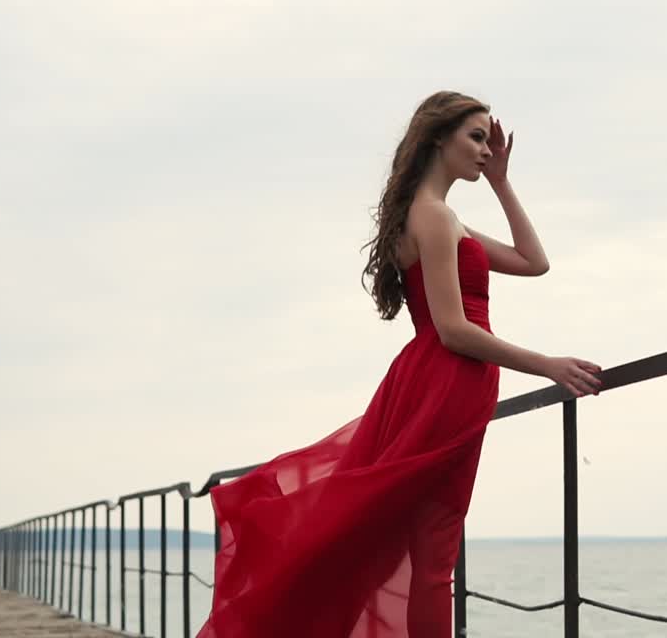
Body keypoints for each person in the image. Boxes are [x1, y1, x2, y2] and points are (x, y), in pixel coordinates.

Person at [198, 90, 602, 637]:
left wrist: (502, 182)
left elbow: (535, 262)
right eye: (476, 137)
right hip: (449, 378)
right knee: (433, 552)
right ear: (438, 138)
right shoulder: (433, 216)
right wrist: (547, 364)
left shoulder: (440, 216)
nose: (487, 149)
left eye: (488, 141)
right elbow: (454, 329)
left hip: (437, 379)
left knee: (415, 545)